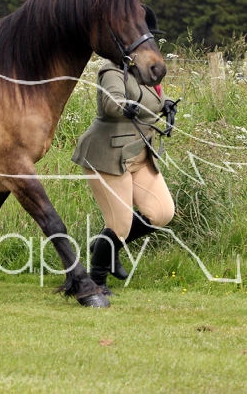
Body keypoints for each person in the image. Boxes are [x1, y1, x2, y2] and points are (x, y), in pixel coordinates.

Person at [71, 60, 178, 295]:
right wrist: (124, 107)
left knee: (161, 212)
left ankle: (105, 246)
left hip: (139, 155)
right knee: (120, 224)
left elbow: (152, 97)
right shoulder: (112, 71)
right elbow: (112, 102)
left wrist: (167, 103)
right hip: (107, 155)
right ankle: (96, 282)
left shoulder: (145, 71)